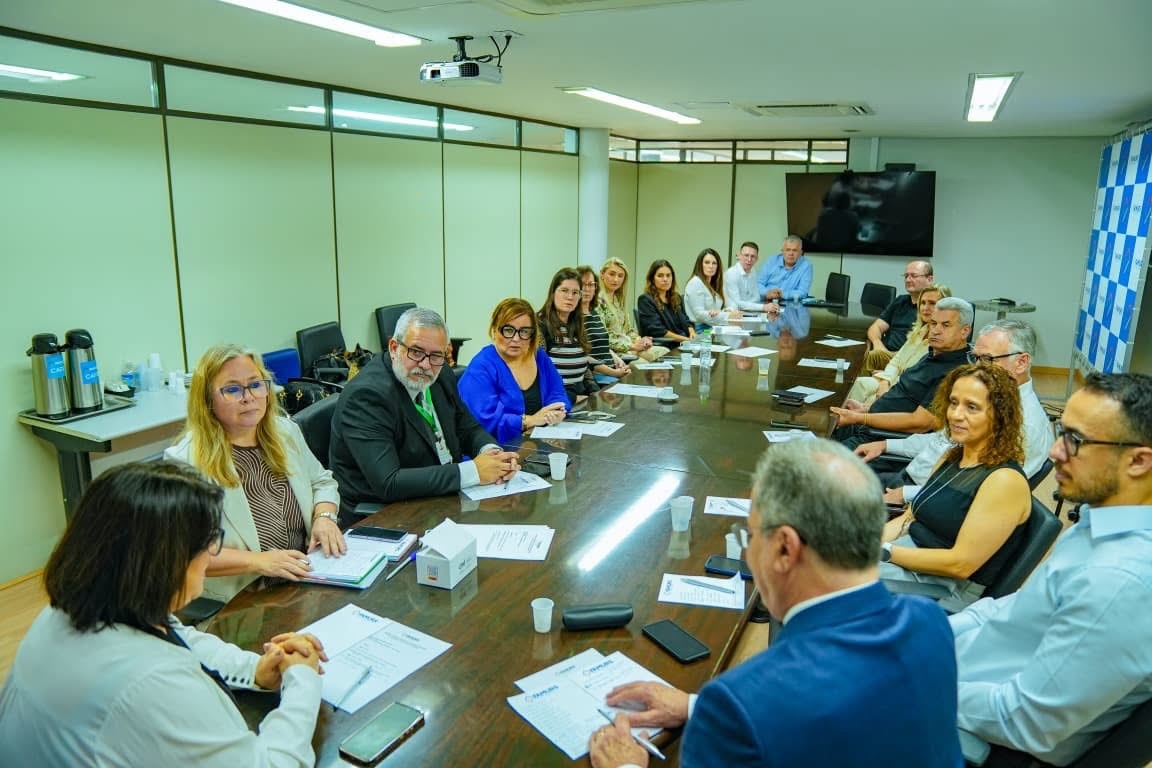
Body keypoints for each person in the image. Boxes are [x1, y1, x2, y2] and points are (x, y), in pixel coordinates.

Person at [588, 439, 961, 768]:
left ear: (785, 547)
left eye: (751, 536)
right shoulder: (928, 621)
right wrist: (692, 706)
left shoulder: (741, 701)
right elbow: (853, 714)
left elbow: (784, 708)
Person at [0, 462, 326, 767]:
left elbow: (174, 635)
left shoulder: (72, 610)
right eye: (210, 541)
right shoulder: (153, 683)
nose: (213, 553)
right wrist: (303, 680)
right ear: (164, 562)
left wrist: (253, 669)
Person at [953, 373, 1152, 765]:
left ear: (1139, 461)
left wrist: (916, 681)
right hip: (963, 682)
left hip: (976, 739)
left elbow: (1025, 722)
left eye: (1075, 440)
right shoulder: (1100, 522)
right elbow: (1008, 611)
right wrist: (923, 635)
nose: (1055, 452)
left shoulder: (1120, 581)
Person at [165, 343, 343, 602]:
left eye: (256, 384)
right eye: (233, 389)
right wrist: (259, 562)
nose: (248, 396)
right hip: (241, 600)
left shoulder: (285, 432)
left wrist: (325, 517)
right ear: (207, 401)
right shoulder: (186, 462)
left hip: (307, 580)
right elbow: (186, 553)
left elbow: (321, 481)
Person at [329, 307, 518, 524]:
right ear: (394, 347)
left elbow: (466, 427)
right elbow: (389, 482)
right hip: (386, 515)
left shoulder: (440, 374)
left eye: (436, 355)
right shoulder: (366, 397)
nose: (426, 365)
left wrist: (493, 456)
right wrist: (474, 471)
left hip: (439, 498)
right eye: (416, 352)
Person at [879, 364, 1032, 610]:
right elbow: (908, 519)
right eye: (953, 403)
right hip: (908, 560)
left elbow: (960, 564)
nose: (956, 415)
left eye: (971, 407)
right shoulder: (952, 457)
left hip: (942, 590)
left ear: (999, 415)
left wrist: (884, 553)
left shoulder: (1004, 481)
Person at [856, 320, 1054, 500]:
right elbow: (941, 439)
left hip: (924, 500)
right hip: (911, 477)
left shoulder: (1024, 425)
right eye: (975, 358)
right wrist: (886, 445)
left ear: (1021, 362)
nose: (977, 368)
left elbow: (976, 490)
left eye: (987, 359)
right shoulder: (988, 398)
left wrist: (906, 494)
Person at [831, 297, 972, 448]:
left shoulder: (955, 372)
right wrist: (865, 409)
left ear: (964, 331)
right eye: (933, 323)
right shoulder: (933, 354)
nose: (936, 330)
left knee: (816, 461)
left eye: (946, 325)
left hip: (879, 440)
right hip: (868, 425)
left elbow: (920, 423)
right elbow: (904, 400)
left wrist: (861, 418)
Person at [458, 297, 570, 444]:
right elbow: (483, 421)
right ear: (494, 330)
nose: (516, 339)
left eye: (524, 331)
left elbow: (557, 392)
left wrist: (556, 411)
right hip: (494, 451)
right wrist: (530, 420)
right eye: (509, 330)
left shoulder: (538, 357)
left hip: (535, 444)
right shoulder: (481, 367)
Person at [847, 283, 950, 405]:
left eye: (932, 303)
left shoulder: (941, 341)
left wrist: (888, 381)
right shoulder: (920, 331)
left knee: (870, 400)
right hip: (892, 380)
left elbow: (917, 379)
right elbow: (896, 361)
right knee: (858, 384)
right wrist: (885, 381)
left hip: (906, 390)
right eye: (922, 303)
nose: (925, 308)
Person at [863, 259, 936, 370]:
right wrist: (878, 344)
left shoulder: (934, 308)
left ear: (929, 279)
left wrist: (880, 353)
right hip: (885, 352)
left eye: (913, 276)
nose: (908, 279)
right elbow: (875, 327)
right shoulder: (900, 301)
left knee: (868, 357)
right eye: (906, 276)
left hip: (905, 359)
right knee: (862, 350)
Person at [539, 267, 598, 402]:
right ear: (553, 293)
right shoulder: (541, 326)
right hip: (555, 400)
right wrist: (573, 398)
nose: (570, 297)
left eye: (575, 292)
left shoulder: (577, 326)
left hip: (580, 396)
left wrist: (596, 392)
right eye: (564, 291)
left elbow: (585, 368)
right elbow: (537, 377)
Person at [597, 257, 667, 362]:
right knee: (642, 364)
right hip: (613, 352)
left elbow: (628, 330)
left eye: (620, 276)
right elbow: (603, 339)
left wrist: (641, 340)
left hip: (629, 346)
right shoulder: (597, 301)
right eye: (612, 274)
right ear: (602, 274)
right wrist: (632, 346)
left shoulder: (618, 300)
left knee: (664, 352)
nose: (616, 279)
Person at [577, 265, 632, 384]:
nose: (586, 289)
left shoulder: (594, 312)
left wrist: (616, 359)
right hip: (595, 374)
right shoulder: (574, 317)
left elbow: (603, 345)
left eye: (591, 284)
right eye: (582, 284)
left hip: (611, 370)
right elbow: (583, 357)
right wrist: (615, 373)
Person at [636, 259, 695, 343]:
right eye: (660, 276)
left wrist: (692, 333)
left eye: (668, 275)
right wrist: (685, 340)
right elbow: (657, 330)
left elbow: (687, 321)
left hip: (684, 342)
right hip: (665, 345)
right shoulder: (645, 300)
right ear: (652, 279)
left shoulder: (676, 297)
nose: (665, 279)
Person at [683, 247, 741, 330]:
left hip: (714, 326)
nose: (711, 266)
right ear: (700, 264)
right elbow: (699, 315)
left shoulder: (714, 284)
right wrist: (727, 315)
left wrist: (724, 312)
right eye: (707, 262)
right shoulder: (695, 282)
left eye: (714, 263)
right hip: (700, 329)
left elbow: (733, 304)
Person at [756, 235, 813, 302]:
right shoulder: (771, 261)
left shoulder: (806, 266)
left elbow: (803, 291)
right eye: (788, 250)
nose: (791, 253)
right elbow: (759, 283)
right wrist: (767, 293)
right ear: (782, 251)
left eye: (794, 250)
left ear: (800, 252)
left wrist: (782, 294)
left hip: (789, 305)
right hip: (766, 301)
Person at [723, 240, 772, 313]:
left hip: (747, 312)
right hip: (732, 314)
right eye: (746, 255)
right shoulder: (731, 274)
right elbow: (738, 304)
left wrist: (747, 304)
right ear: (739, 255)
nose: (749, 259)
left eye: (753, 256)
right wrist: (763, 307)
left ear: (757, 259)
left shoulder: (753, 271)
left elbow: (757, 298)